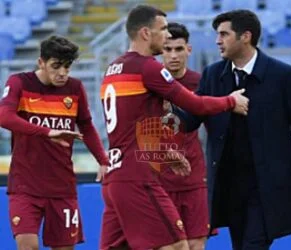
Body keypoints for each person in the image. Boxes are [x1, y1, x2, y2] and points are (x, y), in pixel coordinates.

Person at [98, 5, 249, 250]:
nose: (167, 35)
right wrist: (230, 101)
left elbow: (131, 124)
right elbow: (194, 104)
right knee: (178, 246)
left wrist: (163, 152)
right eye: (163, 29)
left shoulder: (113, 69)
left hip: (116, 178)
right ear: (146, 33)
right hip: (139, 178)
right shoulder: (149, 67)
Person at [174, 10, 291, 250]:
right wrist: (164, 98)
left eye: (224, 34)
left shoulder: (283, 75)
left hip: (268, 186)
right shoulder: (213, 75)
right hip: (228, 184)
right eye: (217, 35)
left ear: (245, 36)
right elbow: (191, 120)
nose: (217, 40)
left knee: (252, 245)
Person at [0, 35, 109, 250]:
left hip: (62, 187)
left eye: (67, 67)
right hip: (25, 185)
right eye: (56, 66)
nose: (62, 73)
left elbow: (86, 126)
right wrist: (47, 132)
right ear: (41, 62)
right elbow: (4, 117)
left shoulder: (75, 89)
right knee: (27, 245)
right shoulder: (19, 82)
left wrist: (103, 160)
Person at [160, 22, 211, 250]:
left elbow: (215, 127)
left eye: (178, 49)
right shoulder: (149, 84)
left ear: (188, 49)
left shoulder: (202, 82)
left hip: (194, 175)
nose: (173, 55)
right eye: (167, 49)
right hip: (159, 180)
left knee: (197, 242)